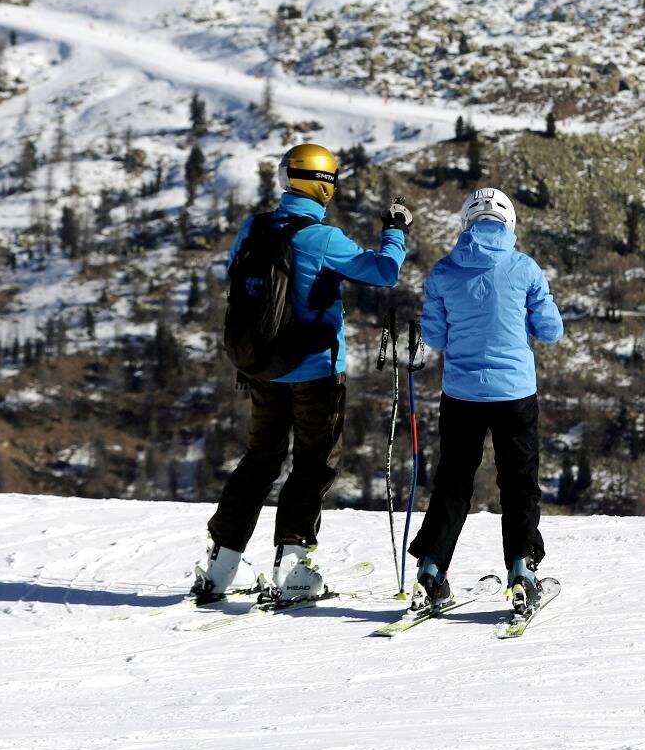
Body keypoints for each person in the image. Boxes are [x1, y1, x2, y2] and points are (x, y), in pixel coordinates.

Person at [192, 143, 412, 604]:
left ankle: (221, 565)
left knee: (259, 460)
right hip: (316, 371)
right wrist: (395, 230)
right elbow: (384, 271)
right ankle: (293, 566)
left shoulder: (253, 228)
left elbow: (235, 279)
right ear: (323, 184)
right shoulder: (322, 237)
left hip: (262, 368)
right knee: (313, 464)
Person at [406, 187, 563, 614]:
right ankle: (522, 571)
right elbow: (550, 331)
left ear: (465, 224)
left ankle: (431, 572)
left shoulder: (442, 273)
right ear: (509, 224)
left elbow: (434, 339)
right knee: (518, 483)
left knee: (453, 483)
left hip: (461, 394)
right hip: (515, 393)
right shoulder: (525, 269)